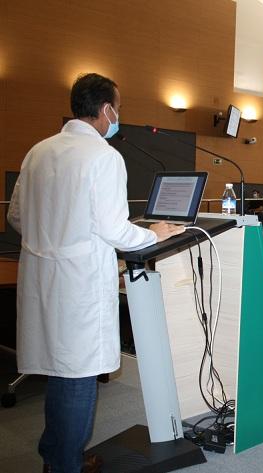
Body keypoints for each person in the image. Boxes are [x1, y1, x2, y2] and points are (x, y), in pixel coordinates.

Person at [7, 73, 184, 473]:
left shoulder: (38, 151)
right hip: (78, 286)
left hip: (41, 280)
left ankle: (57, 457)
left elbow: (16, 215)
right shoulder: (103, 156)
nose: (116, 117)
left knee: (60, 372)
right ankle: (65, 465)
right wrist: (152, 233)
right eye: (117, 109)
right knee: (78, 377)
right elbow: (114, 229)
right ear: (106, 110)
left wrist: (53, 235)